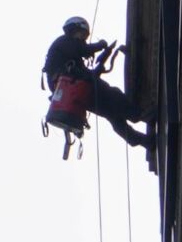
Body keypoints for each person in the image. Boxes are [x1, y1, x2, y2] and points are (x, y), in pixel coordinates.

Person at [41, 16, 151, 156]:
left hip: (78, 93)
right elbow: (83, 50)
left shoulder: (67, 60)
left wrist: (102, 62)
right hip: (79, 88)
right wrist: (101, 44)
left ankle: (143, 141)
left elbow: (86, 73)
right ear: (74, 29)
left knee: (112, 113)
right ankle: (140, 115)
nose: (83, 38)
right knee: (114, 95)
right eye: (82, 34)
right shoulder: (64, 42)